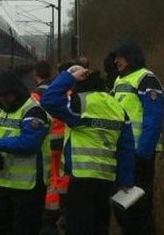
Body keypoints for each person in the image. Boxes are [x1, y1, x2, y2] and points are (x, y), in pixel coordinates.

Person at [41, 65, 136, 235]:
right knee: (100, 226)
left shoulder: (80, 103)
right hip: (107, 180)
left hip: (80, 178)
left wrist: (69, 77)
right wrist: (126, 181)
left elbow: (48, 99)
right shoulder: (118, 107)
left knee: (79, 227)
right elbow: (127, 148)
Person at [0, 71, 52, 235]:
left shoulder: (34, 112)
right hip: (3, 185)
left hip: (29, 188)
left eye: (6, 95)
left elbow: (28, 143)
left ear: (16, 92)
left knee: (25, 229)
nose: (2, 99)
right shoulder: (0, 110)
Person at [111, 41, 164, 235]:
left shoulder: (146, 79)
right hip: (124, 153)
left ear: (131, 57)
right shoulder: (119, 81)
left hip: (139, 154)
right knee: (124, 207)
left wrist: (142, 153)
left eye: (120, 56)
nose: (116, 61)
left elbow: (154, 117)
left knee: (141, 208)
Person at [31, 61, 69, 234]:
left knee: (48, 177)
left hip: (47, 143)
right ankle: (62, 209)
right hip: (62, 140)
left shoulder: (35, 96)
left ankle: (48, 214)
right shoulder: (60, 91)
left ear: (35, 75)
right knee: (59, 174)